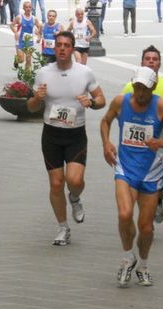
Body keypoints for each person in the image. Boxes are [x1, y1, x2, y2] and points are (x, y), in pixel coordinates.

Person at [101, 67, 163, 287]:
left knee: (146, 227)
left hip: (150, 171)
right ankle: (128, 256)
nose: (140, 93)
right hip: (125, 168)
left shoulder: (161, 106)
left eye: (145, 89)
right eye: (137, 87)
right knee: (125, 213)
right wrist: (106, 143)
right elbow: (105, 121)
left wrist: (161, 143)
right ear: (133, 84)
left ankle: (143, 265)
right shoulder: (121, 101)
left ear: (154, 87)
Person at [27, 32, 106, 245]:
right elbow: (31, 107)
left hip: (75, 135)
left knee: (75, 180)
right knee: (55, 183)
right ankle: (63, 228)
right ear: (55, 49)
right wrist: (37, 98)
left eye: (67, 45)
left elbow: (101, 99)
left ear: (73, 49)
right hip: (51, 134)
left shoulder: (84, 72)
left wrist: (91, 102)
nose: (62, 49)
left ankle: (75, 197)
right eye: (59, 45)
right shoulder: (43, 73)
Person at [122, 46, 163, 224]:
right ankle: (146, 217)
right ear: (142, 62)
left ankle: (158, 199)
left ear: (159, 63)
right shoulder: (129, 86)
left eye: (154, 59)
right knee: (141, 183)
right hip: (138, 145)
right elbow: (122, 110)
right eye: (147, 58)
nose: (151, 61)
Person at [11, 1, 42, 69]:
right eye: (26, 7)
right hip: (20, 41)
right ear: (23, 8)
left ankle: (27, 76)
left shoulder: (34, 18)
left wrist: (39, 36)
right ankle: (17, 60)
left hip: (29, 42)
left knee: (28, 60)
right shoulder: (19, 17)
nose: (28, 9)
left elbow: (40, 27)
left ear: (31, 8)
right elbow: (12, 25)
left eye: (30, 7)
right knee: (21, 60)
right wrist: (15, 32)